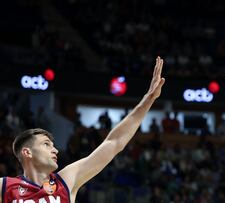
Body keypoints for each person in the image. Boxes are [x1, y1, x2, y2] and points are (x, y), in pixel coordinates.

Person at [0, 57, 165, 203]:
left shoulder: (66, 180)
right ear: (27, 152)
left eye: (53, 144)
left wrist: (147, 101)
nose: (55, 150)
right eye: (46, 144)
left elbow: (113, 143)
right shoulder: (5, 186)